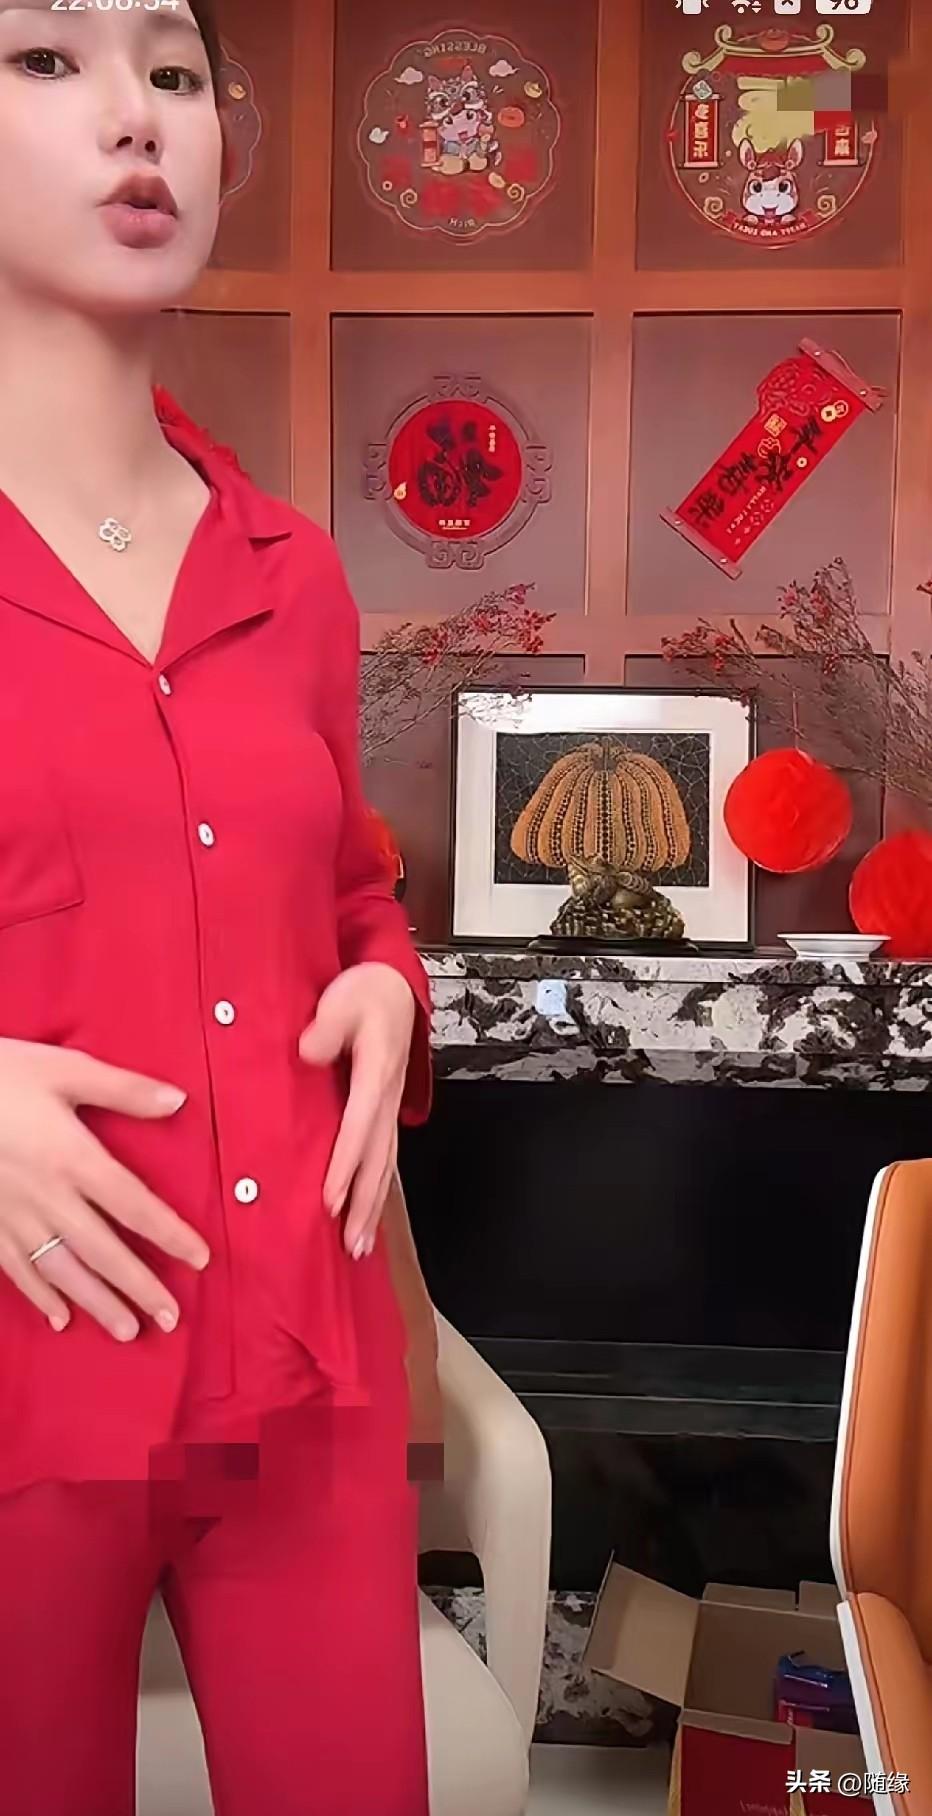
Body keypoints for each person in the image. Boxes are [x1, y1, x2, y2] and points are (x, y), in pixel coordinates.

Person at [0, 3, 432, 1811]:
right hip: (26, 1383)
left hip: (303, 1370)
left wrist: (389, 989)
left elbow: (350, 892)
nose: (138, 118)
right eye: (46, 59)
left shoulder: (296, 572)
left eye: (173, 73)